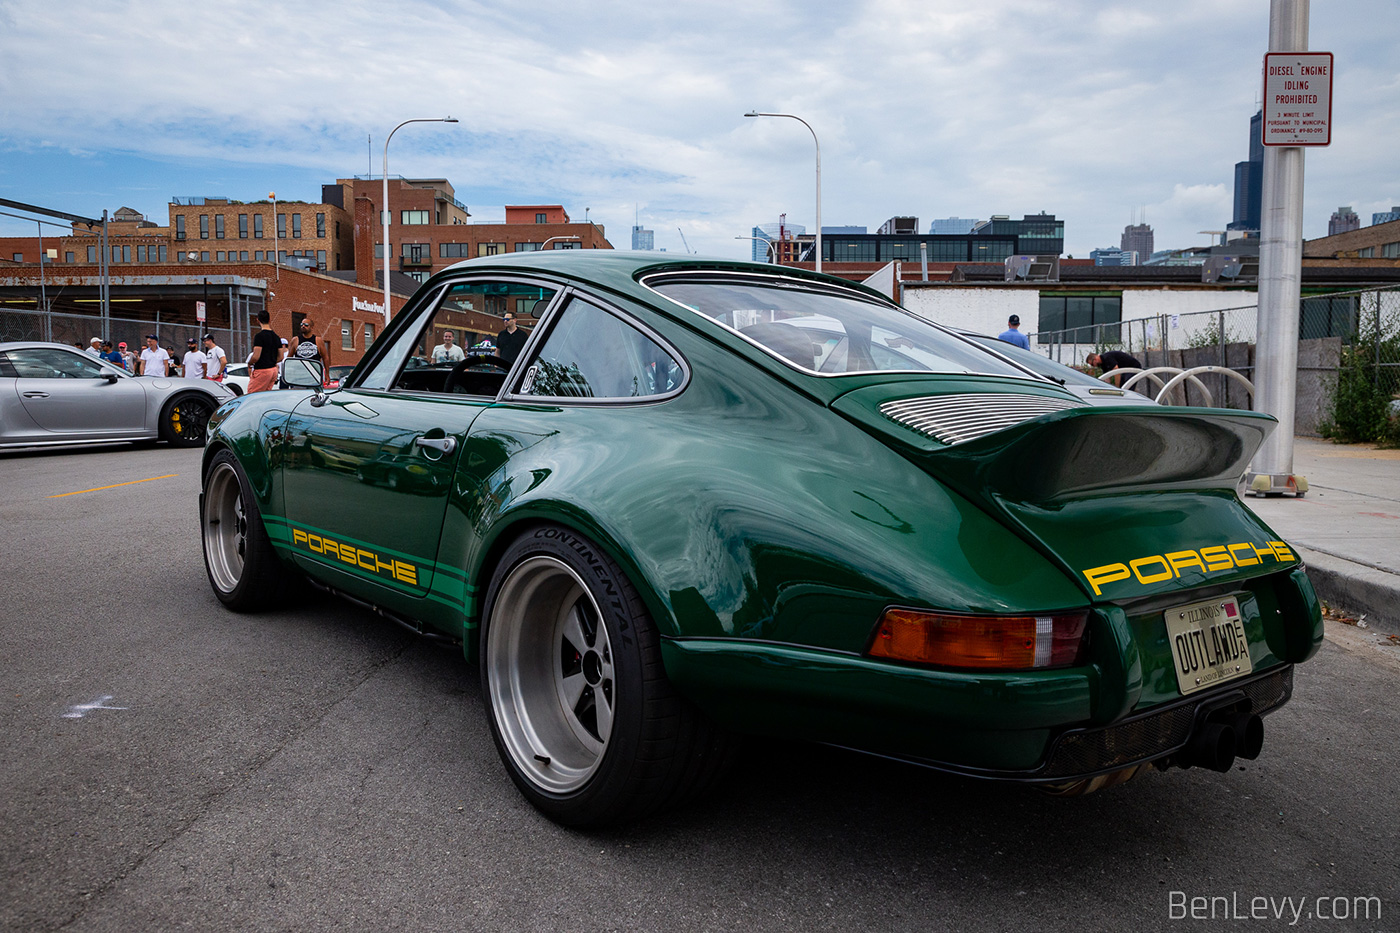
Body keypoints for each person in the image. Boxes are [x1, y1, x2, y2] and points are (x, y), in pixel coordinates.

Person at [247, 310, 281, 393]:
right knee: (265, 395)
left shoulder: (259, 336)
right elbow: (281, 357)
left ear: (258, 320)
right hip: (273, 370)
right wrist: (271, 360)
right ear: (269, 320)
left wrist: (250, 363)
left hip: (262, 370)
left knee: (253, 395)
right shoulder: (276, 337)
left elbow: (256, 356)